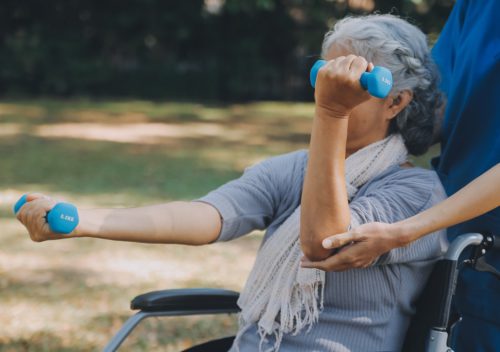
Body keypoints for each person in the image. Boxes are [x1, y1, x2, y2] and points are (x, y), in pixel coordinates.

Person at [16, 15, 447, 352]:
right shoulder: (299, 169)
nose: (331, 94)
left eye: (351, 88)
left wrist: (331, 115)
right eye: (327, 82)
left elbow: (325, 242)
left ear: (395, 101)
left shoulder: (417, 195)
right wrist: (85, 221)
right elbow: (209, 214)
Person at [303, 1, 500, 351]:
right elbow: (430, 105)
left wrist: (408, 230)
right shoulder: (479, 6)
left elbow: (323, 244)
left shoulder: (415, 199)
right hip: (462, 252)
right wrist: (356, 110)